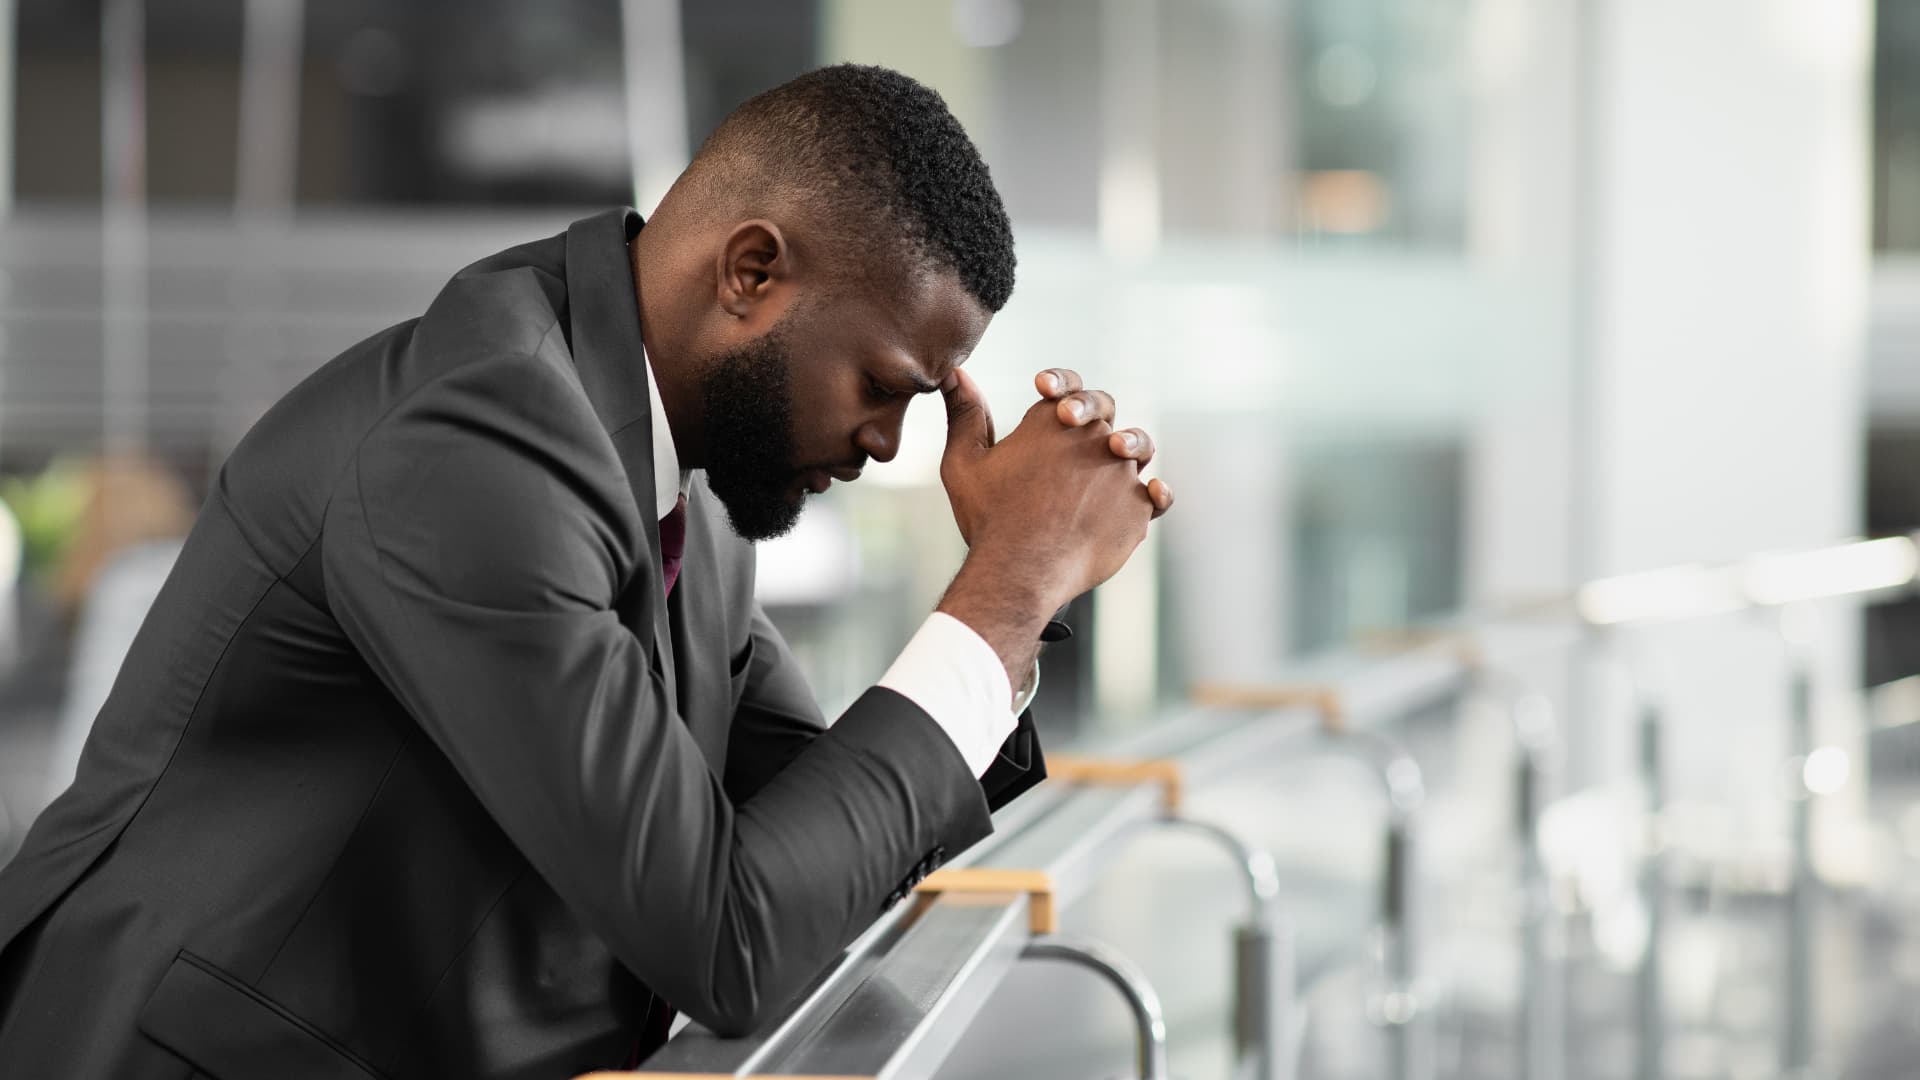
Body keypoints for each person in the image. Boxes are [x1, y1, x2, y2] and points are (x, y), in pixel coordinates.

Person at [0, 64, 1171, 1078]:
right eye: (881, 386)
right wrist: (1007, 587)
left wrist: (1019, 596)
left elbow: (823, 858)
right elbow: (733, 935)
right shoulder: (475, 447)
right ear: (751, 272)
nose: (885, 442)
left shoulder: (683, 496)